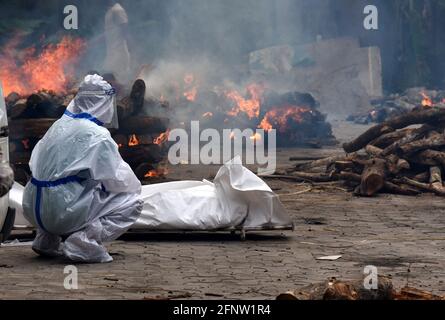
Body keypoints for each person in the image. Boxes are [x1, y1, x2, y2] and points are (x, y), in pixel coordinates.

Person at [22, 74, 143, 263]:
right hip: (62, 213)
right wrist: (132, 187)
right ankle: (83, 244)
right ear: (104, 104)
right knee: (132, 202)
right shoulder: (97, 134)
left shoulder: (58, 125)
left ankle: (46, 240)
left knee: (64, 185)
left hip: (33, 208)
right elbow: (118, 180)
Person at [103, 1, 131, 82]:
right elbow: (108, 33)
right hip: (111, 54)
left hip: (119, 55)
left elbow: (125, 32)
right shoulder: (110, 11)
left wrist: (134, 50)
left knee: (118, 83)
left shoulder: (118, 10)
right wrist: (92, 42)